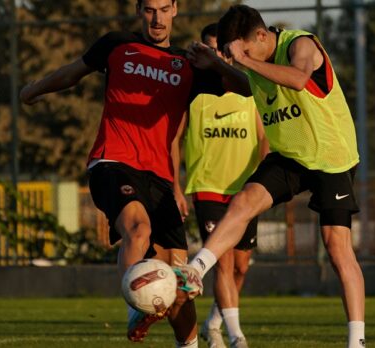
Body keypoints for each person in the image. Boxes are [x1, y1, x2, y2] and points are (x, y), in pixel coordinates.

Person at [19, 1, 245, 346]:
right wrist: (33, 90)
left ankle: (190, 344)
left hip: (158, 179)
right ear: (140, 10)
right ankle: (135, 311)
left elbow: (244, 87)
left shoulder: (187, 64)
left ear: (175, 11)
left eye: (164, 9)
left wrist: (214, 62)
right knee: (138, 228)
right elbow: (72, 73)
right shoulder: (116, 44)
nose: (157, 17)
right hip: (112, 162)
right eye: (150, 9)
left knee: (178, 286)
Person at [181, 5, 366, 348]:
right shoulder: (255, 63)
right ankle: (195, 271)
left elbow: (298, 79)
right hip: (291, 155)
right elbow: (246, 85)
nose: (242, 59)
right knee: (245, 201)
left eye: (246, 50)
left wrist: (245, 60)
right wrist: (217, 64)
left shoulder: (301, 45)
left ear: (262, 36)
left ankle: (357, 341)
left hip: (331, 157)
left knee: (337, 247)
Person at [179, 23, 267, 348]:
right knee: (224, 262)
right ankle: (235, 336)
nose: (218, 56)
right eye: (210, 50)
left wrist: (264, 182)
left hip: (245, 191)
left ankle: (213, 323)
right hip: (208, 187)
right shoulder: (196, 95)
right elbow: (174, 139)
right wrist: (176, 186)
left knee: (241, 266)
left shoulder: (249, 93)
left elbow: (264, 141)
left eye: (221, 50)